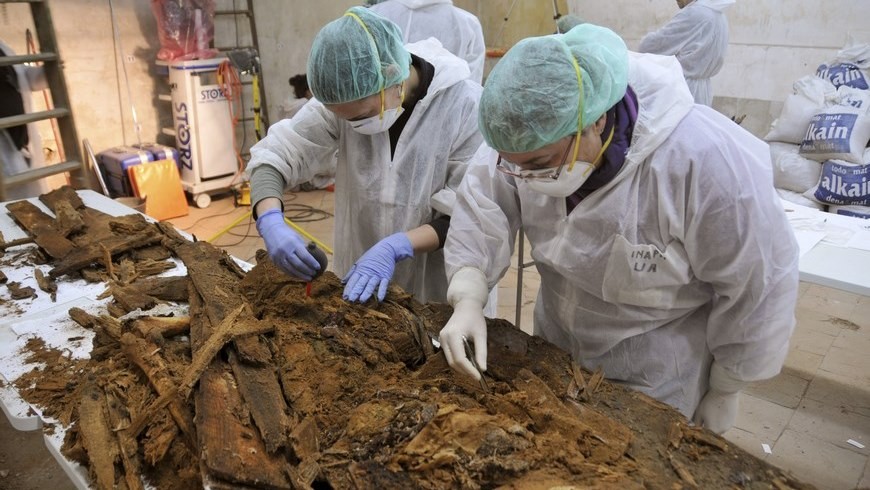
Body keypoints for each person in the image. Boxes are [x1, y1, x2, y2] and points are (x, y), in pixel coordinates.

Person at [439, 24, 799, 434]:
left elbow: (758, 283)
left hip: (656, 375)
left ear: (596, 121)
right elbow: (482, 209)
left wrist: (727, 386)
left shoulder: (704, 161)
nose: (525, 176)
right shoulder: (526, 134)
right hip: (555, 353)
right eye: (515, 165)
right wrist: (468, 294)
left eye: (539, 164)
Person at [247, 7, 483, 306]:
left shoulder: (464, 106)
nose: (356, 126)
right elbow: (278, 152)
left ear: (390, 76)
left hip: (438, 288)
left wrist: (398, 245)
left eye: (363, 116)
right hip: (360, 280)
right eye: (344, 119)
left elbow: (470, 214)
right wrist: (270, 220)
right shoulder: (345, 95)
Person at [638, 0, 734, 106]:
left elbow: (650, 46)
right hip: (702, 93)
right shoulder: (719, 16)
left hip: (681, 90)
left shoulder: (695, 13)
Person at [368, 0, 485, 84]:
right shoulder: (467, 24)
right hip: (447, 115)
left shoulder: (371, 15)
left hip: (379, 114)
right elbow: (471, 87)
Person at [0, 39, 50, 200]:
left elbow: (25, 78)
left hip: (19, 139)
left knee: (28, 202)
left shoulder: (3, 47)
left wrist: (49, 70)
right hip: (4, 140)